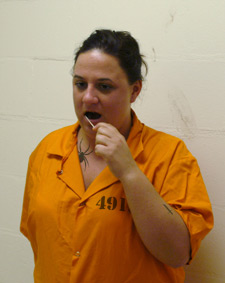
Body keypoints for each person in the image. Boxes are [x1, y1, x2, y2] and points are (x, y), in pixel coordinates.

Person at [20, 29, 213, 283]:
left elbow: (177, 253)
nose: (88, 97)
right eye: (80, 84)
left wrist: (130, 172)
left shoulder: (170, 156)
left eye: (104, 86)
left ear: (134, 91)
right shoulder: (47, 150)